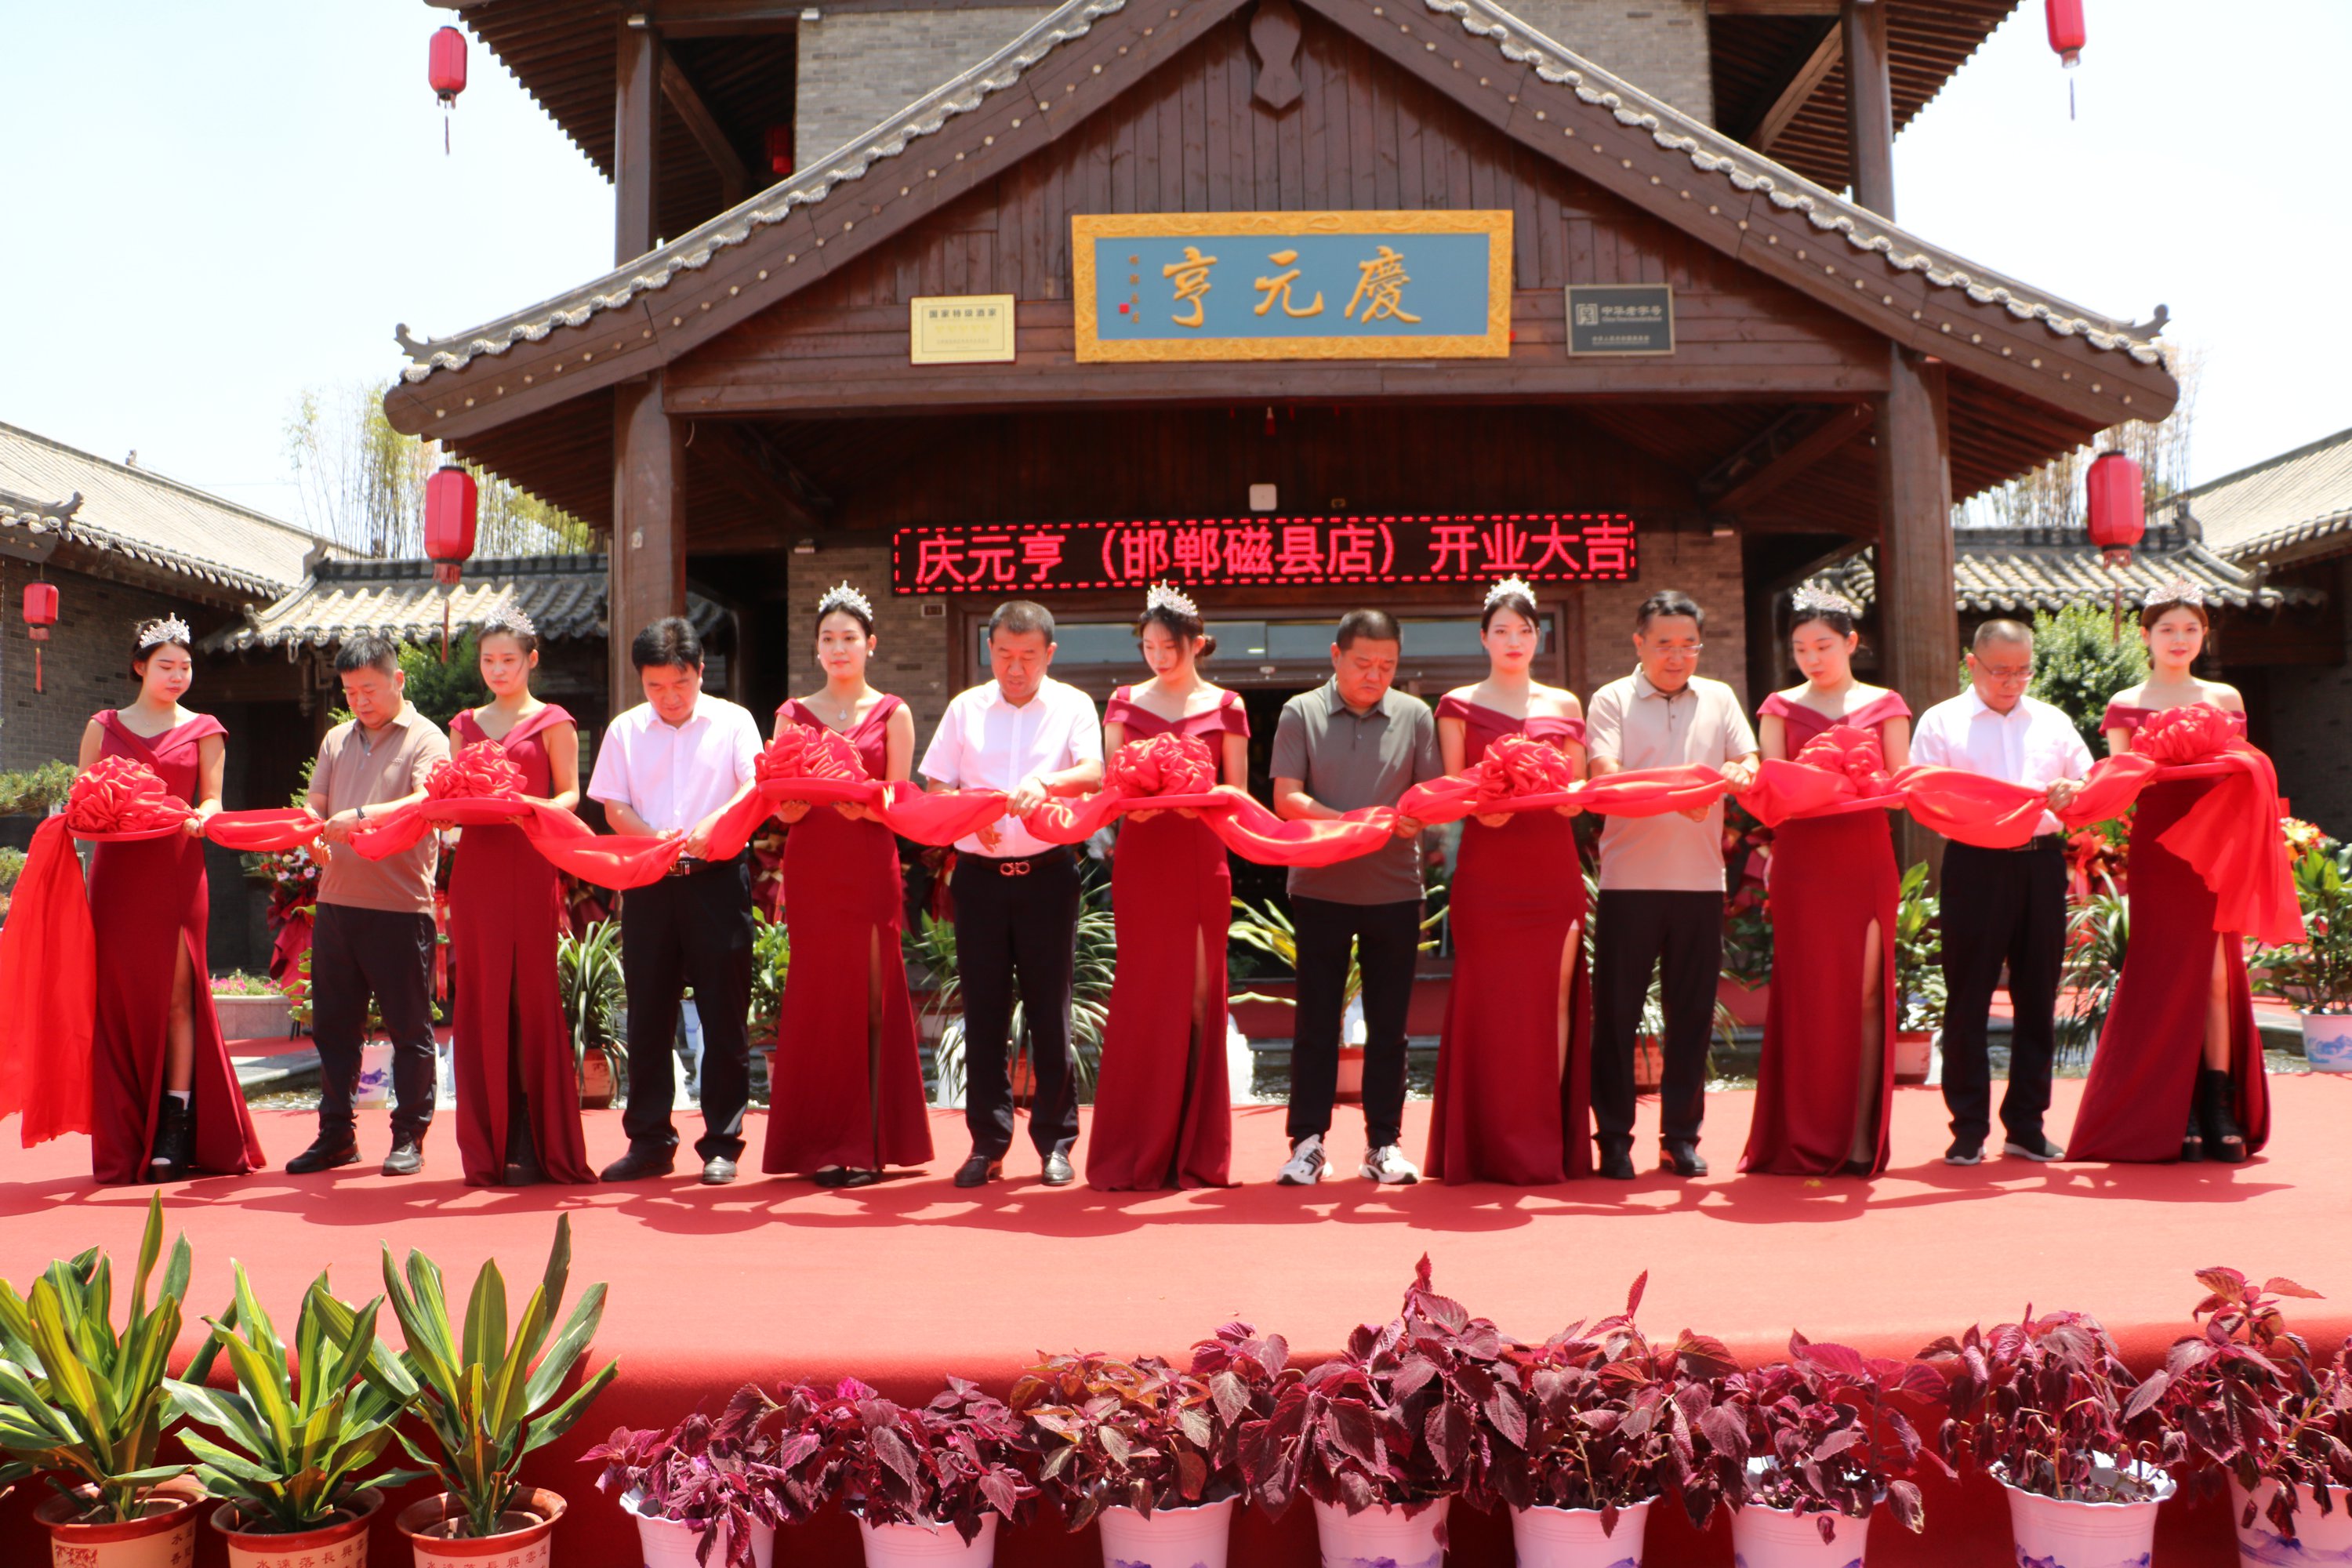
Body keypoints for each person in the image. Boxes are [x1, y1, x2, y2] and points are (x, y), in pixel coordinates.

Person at [2069, 583, 2268, 1164]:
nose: (2179, 640)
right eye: (2167, 629)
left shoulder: (2225, 697)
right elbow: (2122, 783)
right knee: (2164, 974)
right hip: (2159, 846)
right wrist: (2077, 795)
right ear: (2146, 636)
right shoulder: (2125, 703)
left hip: (2213, 846)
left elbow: (2241, 773)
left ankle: (2218, 1102)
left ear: (2204, 635)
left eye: (2190, 629)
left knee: (2217, 977)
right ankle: (2175, 1106)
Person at [74, 616, 266, 1184]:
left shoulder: (205, 729)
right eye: (166, 666)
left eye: (185, 667)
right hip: (117, 877)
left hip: (178, 870)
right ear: (140, 667)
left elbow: (212, 800)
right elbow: (83, 798)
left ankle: (176, 1124)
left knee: (180, 998)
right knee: (119, 999)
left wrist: (201, 817)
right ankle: (126, 1127)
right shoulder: (102, 726)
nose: (178, 676)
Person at [920, 600, 1104, 1189]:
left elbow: (1093, 772)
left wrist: (1043, 782)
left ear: (1050, 654)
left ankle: (1056, 1142)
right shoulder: (965, 709)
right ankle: (987, 1144)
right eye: (1004, 655)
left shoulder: (1073, 705)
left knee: (1051, 1013)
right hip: (979, 880)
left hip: (1049, 877)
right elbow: (937, 786)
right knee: (983, 1013)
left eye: (1028, 656)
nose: (1015, 668)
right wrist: (970, 818)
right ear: (990, 650)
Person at [761, 583, 933, 1187]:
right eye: (829, 639)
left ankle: (869, 1143)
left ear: (870, 645)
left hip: (869, 862)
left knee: (872, 994)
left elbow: (900, 799)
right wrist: (787, 809)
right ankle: (819, 1142)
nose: (839, 649)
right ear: (816, 648)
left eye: (849, 639)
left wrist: (874, 808)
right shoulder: (792, 714)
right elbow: (777, 798)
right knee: (818, 998)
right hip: (813, 864)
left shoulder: (894, 712)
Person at [1584, 590, 1759, 1181]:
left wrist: (1740, 772)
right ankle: (1613, 1139)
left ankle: (1680, 1139)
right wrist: (1678, 795)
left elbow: (1749, 760)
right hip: (1628, 882)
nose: (1677, 656)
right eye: (1664, 644)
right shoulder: (1611, 699)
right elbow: (1605, 779)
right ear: (1639, 643)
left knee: (1692, 1018)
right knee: (1616, 1017)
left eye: (1689, 645)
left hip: (1700, 883)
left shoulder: (1720, 696)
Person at [1739, 587, 1911, 1178]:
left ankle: (1860, 1137)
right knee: (1808, 995)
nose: (1812, 658)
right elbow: (1771, 795)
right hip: (1804, 863)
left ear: (1851, 643)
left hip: (1864, 858)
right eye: (1800, 648)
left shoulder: (1885, 705)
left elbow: (1899, 789)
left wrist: (1859, 782)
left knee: (1867, 996)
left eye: (1823, 646)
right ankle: (1805, 1133)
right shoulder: (1778, 708)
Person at [1424, 579, 1592, 1185]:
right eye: (1502, 631)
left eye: (1524, 631)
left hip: (1551, 866)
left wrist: (1571, 799)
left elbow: (1580, 788)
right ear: (1483, 638)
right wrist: (1479, 804)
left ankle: (1544, 1137)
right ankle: (1488, 1141)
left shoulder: (1564, 704)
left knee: (1554, 996)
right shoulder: (1457, 705)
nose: (1514, 641)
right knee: (1489, 1001)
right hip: (1489, 869)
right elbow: (1452, 789)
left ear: (1538, 637)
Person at [1269, 608, 1443, 1187]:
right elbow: (1287, 798)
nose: (1375, 675)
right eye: (1363, 663)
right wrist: (1352, 827)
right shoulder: (1301, 712)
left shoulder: (1415, 715)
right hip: (1320, 886)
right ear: (1336, 656)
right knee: (1316, 1021)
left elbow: (1427, 796)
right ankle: (1308, 1144)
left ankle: (1383, 1144)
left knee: (1390, 1026)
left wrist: (1419, 818)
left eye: (1387, 665)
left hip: (1394, 888)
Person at [588, 616, 763, 1185]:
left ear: (701, 672)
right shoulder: (625, 730)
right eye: (655, 686)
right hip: (650, 883)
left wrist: (715, 824)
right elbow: (612, 805)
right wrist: (650, 838)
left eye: (680, 684)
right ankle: (649, 1142)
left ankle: (722, 1145)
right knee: (648, 1016)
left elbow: (754, 788)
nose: (669, 697)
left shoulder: (734, 722)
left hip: (718, 882)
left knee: (723, 1016)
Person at [1909, 619, 2090, 1166]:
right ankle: (1968, 1127)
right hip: (1975, 865)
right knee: (1968, 996)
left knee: (2038, 996)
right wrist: (1976, 813)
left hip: (2041, 863)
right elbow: (1922, 797)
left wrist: (2074, 790)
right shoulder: (1942, 721)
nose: (2012, 681)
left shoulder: (2053, 720)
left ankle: (2027, 1126)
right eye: (2000, 671)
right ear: (1972, 664)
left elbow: (2089, 782)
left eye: (2023, 670)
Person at [1087, 583, 1250, 1191]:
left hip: (1202, 857)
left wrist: (1198, 799)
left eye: (1170, 647)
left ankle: (1195, 1150)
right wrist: (1139, 799)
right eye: (1149, 646)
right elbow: (1111, 788)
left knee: (1203, 998)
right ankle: (1139, 1144)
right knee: (1145, 997)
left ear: (1196, 644)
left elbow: (1236, 792)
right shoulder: (1124, 702)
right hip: (1144, 861)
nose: (1158, 657)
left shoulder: (1227, 705)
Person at [287, 633, 452, 1177]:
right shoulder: (337, 739)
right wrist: (313, 828)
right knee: (334, 1029)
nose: (360, 701)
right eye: (351, 692)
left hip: (401, 906)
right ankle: (336, 1135)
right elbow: (316, 802)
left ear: (397, 680)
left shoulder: (427, 738)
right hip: (337, 903)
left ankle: (409, 1137)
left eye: (370, 690)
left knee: (409, 1030)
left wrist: (359, 817)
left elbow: (427, 800)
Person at [445, 606, 593, 1187]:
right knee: (483, 995)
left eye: (509, 659)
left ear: (531, 660)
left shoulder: (554, 721)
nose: (499, 670)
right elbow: (454, 795)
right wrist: (449, 810)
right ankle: (493, 1137)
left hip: (531, 862)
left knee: (529, 995)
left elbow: (570, 795)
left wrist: (529, 807)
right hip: (477, 869)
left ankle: (532, 1128)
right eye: (489, 660)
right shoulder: (465, 725)